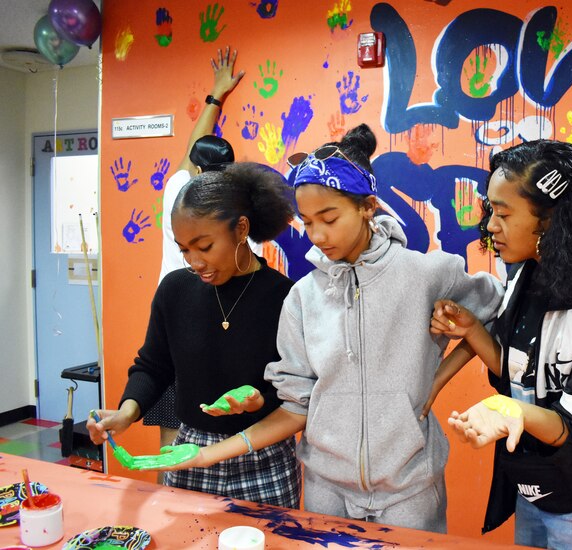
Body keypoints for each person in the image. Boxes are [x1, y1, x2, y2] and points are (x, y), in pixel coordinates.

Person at [152, 124, 504, 533]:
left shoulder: (427, 274)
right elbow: (295, 406)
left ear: (368, 206)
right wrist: (205, 456)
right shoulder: (303, 297)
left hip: (410, 490)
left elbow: (498, 310)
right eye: (307, 222)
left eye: (329, 218)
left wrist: (438, 379)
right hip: (325, 494)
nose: (317, 236)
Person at [431, 140, 572, 549]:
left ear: (551, 221)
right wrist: (473, 331)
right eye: (491, 211)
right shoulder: (528, 278)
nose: (490, 226)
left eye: (503, 214)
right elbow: (522, 374)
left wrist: (508, 410)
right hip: (539, 485)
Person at [87, 162, 301, 507]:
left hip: (263, 456)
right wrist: (126, 413)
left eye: (204, 246)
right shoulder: (175, 290)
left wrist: (260, 399)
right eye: (184, 248)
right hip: (190, 454)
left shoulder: (285, 296)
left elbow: (294, 391)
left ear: (241, 228)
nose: (194, 261)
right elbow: (153, 366)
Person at [146, 46, 246, 464]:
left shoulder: (182, 191)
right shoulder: (235, 207)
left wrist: (216, 96)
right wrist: (216, 96)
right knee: (177, 447)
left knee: (181, 445)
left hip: (200, 329)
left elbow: (193, 151)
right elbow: (195, 150)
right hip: (186, 327)